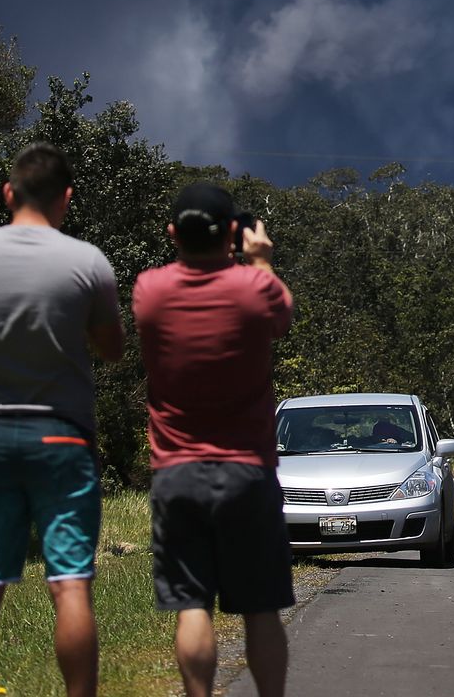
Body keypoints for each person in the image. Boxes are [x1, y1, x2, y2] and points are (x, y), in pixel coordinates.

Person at [0, 142, 124, 697]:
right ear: (67, 197)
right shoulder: (88, 262)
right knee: (70, 587)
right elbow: (112, 348)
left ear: (7, 193)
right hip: (62, 436)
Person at [133, 183, 296, 697]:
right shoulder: (255, 289)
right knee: (260, 608)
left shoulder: (149, 291)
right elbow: (282, 319)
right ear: (232, 233)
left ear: (172, 234)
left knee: (192, 606)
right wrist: (261, 261)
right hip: (247, 472)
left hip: (177, 472)